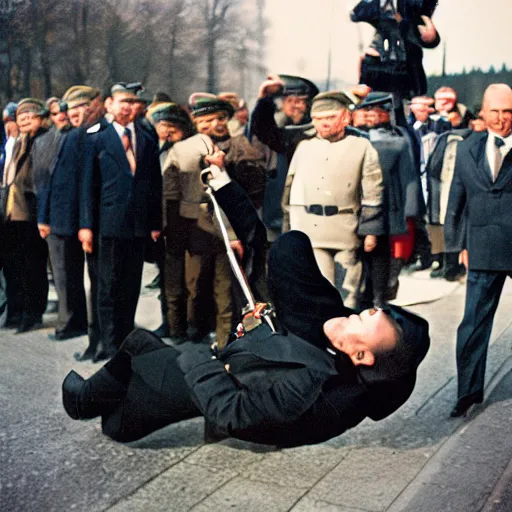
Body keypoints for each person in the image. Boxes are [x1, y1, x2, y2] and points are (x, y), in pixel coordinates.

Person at [61, 162, 430, 447]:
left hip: (201, 382)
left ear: (361, 356)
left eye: (364, 322)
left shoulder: (312, 386)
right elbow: (261, 245)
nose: (361, 311)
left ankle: (87, 404)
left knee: (120, 414)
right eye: (368, 310)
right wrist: (221, 183)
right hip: (223, 368)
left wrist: (202, 354)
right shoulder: (324, 315)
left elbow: (231, 412)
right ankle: (96, 399)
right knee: (138, 348)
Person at [79, 83, 162, 361]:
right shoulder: (96, 138)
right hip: (107, 226)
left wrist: (154, 223)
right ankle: (108, 344)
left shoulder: (147, 140)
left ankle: (126, 342)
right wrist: (86, 226)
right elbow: (88, 187)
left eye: (132, 102)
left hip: (137, 227)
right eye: (122, 101)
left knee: (130, 286)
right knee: (108, 288)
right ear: (109, 105)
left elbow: (154, 186)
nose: (127, 106)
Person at [444, 84, 512, 417]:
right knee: (472, 324)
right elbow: (456, 199)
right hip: (482, 248)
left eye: (508, 111)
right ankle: (467, 392)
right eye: (494, 111)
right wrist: (457, 246)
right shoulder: (467, 149)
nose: (501, 119)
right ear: (482, 113)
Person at [282, 91, 385, 310]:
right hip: (310, 230)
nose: (324, 124)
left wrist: (371, 231)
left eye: (330, 117)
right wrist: (289, 229)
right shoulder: (304, 147)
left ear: (346, 118)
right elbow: (289, 191)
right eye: (319, 119)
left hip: (346, 230)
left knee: (347, 294)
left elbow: (373, 192)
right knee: (319, 291)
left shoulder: (362, 147)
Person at [37, 86, 102, 346]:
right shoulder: (64, 137)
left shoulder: (86, 136)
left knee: (79, 275)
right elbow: (48, 183)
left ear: (92, 107)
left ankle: (76, 322)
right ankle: (69, 322)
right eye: (69, 109)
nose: (73, 113)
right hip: (62, 218)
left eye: (79, 108)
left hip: (83, 218)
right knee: (64, 275)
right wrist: (45, 217)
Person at [1, 98, 49, 333]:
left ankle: (32, 313)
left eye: (30, 117)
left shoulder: (41, 141)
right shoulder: (18, 142)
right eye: (21, 118)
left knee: (33, 266)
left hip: (31, 212)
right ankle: (16, 311)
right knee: (14, 265)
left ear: (40, 119)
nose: (25, 122)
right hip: (12, 212)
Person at [351, 0, 440, 102]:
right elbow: (355, 15)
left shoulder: (416, 4)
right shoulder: (371, 6)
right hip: (377, 63)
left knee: (411, 103)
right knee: (372, 102)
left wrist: (428, 33)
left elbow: (426, 32)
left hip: (407, 64)